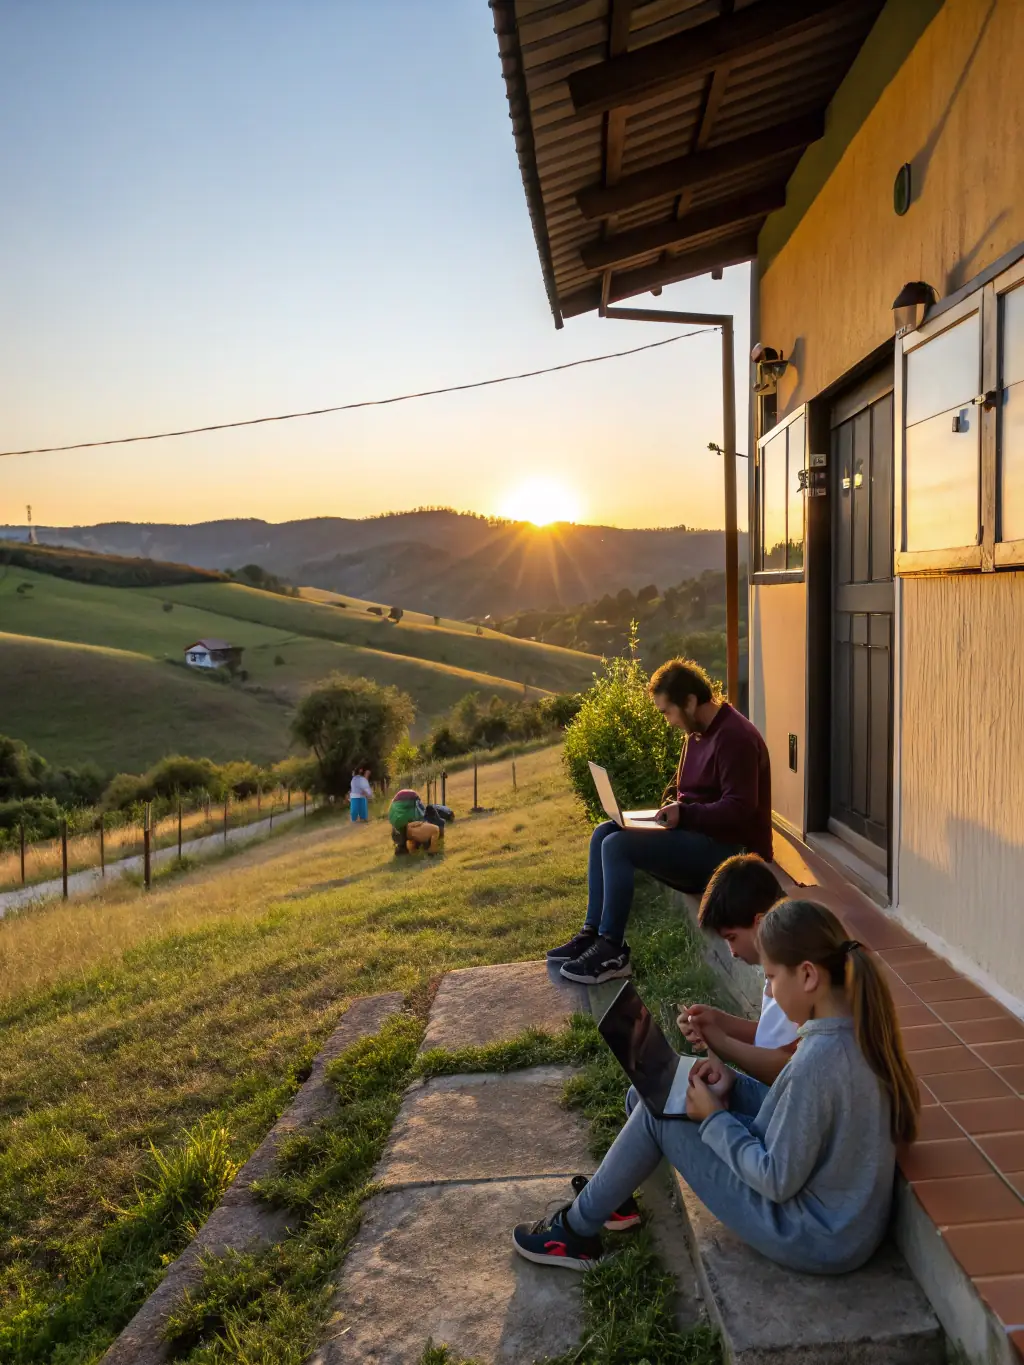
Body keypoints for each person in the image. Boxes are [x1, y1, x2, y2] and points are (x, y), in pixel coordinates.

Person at [514, 899, 919, 1276]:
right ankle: (611, 1198)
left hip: (812, 1234)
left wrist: (715, 1119)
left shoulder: (819, 1061)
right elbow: (799, 1114)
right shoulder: (854, 1030)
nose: (770, 990)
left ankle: (574, 1232)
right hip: (832, 1219)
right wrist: (733, 1085)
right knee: (651, 1093)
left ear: (809, 975)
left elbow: (775, 1179)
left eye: (772, 977)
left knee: (658, 1115)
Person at [549, 658, 772, 986]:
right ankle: (591, 934)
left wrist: (686, 813)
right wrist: (668, 811)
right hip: (699, 837)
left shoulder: (734, 737)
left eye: (667, 712)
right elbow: (688, 793)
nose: (668, 722)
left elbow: (740, 810)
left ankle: (612, 951)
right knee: (604, 832)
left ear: (690, 701)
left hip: (731, 855)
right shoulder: (697, 733)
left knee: (618, 845)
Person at [679, 853, 798, 1086]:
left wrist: (722, 1044)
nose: (732, 952)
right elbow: (771, 1037)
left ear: (760, 923)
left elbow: (787, 1072)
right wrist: (717, 1021)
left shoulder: (795, 979)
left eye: (732, 938)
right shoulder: (778, 964)